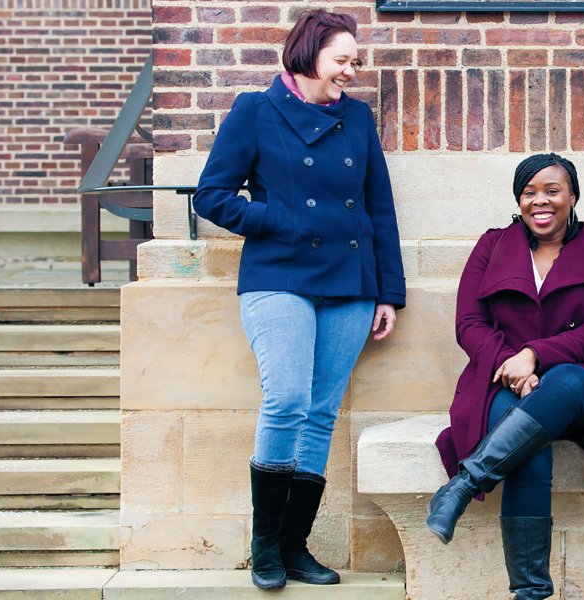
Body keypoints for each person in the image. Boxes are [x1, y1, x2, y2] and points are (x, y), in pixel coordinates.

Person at [192, 9, 405, 591]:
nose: (351, 71)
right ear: (309, 54)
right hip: (278, 275)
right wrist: (276, 220)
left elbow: (378, 208)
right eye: (343, 59)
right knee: (286, 399)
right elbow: (211, 196)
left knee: (320, 414)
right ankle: (264, 546)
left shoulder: (358, 119)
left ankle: (294, 546)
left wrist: (390, 291)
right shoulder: (254, 112)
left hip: (351, 284)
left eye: (354, 61)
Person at [427, 153, 584, 599]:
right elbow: (468, 323)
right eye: (529, 192)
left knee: (574, 380)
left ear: (572, 196)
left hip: (568, 391)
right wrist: (510, 366)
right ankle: (531, 592)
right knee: (526, 445)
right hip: (496, 381)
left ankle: (463, 485)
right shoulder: (492, 246)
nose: (541, 201)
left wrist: (535, 356)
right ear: (518, 200)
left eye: (552, 191)